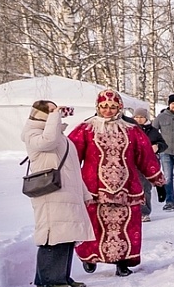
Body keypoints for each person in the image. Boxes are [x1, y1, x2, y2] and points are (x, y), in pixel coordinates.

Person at [70, 89, 164, 277]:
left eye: (113, 107)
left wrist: (158, 182)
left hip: (126, 188)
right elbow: (71, 155)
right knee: (94, 224)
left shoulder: (131, 130)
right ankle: (89, 257)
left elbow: (145, 156)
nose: (108, 110)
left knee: (125, 225)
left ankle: (122, 262)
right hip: (94, 188)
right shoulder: (86, 129)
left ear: (119, 108)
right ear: (98, 107)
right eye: (104, 106)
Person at [22, 100, 93, 287]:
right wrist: (55, 116)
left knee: (66, 235)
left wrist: (84, 193)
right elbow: (47, 142)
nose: (58, 113)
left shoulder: (60, 135)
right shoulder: (32, 133)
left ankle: (61, 276)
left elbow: (73, 170)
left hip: (66, 192)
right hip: (50, 192)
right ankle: (47, 281)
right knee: (52, 236)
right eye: (52, 111)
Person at [127, 107, 165, 221]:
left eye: (141, 117)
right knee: (131, 187)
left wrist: (157, 146)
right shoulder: (128, 128)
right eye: (136, 117)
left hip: (147, 163)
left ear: (146, 118)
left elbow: (163, 144)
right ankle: (132, 211)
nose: (139, 119)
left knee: (145, 188)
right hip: (131, 161)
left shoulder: (152, 131)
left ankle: (144, 212)